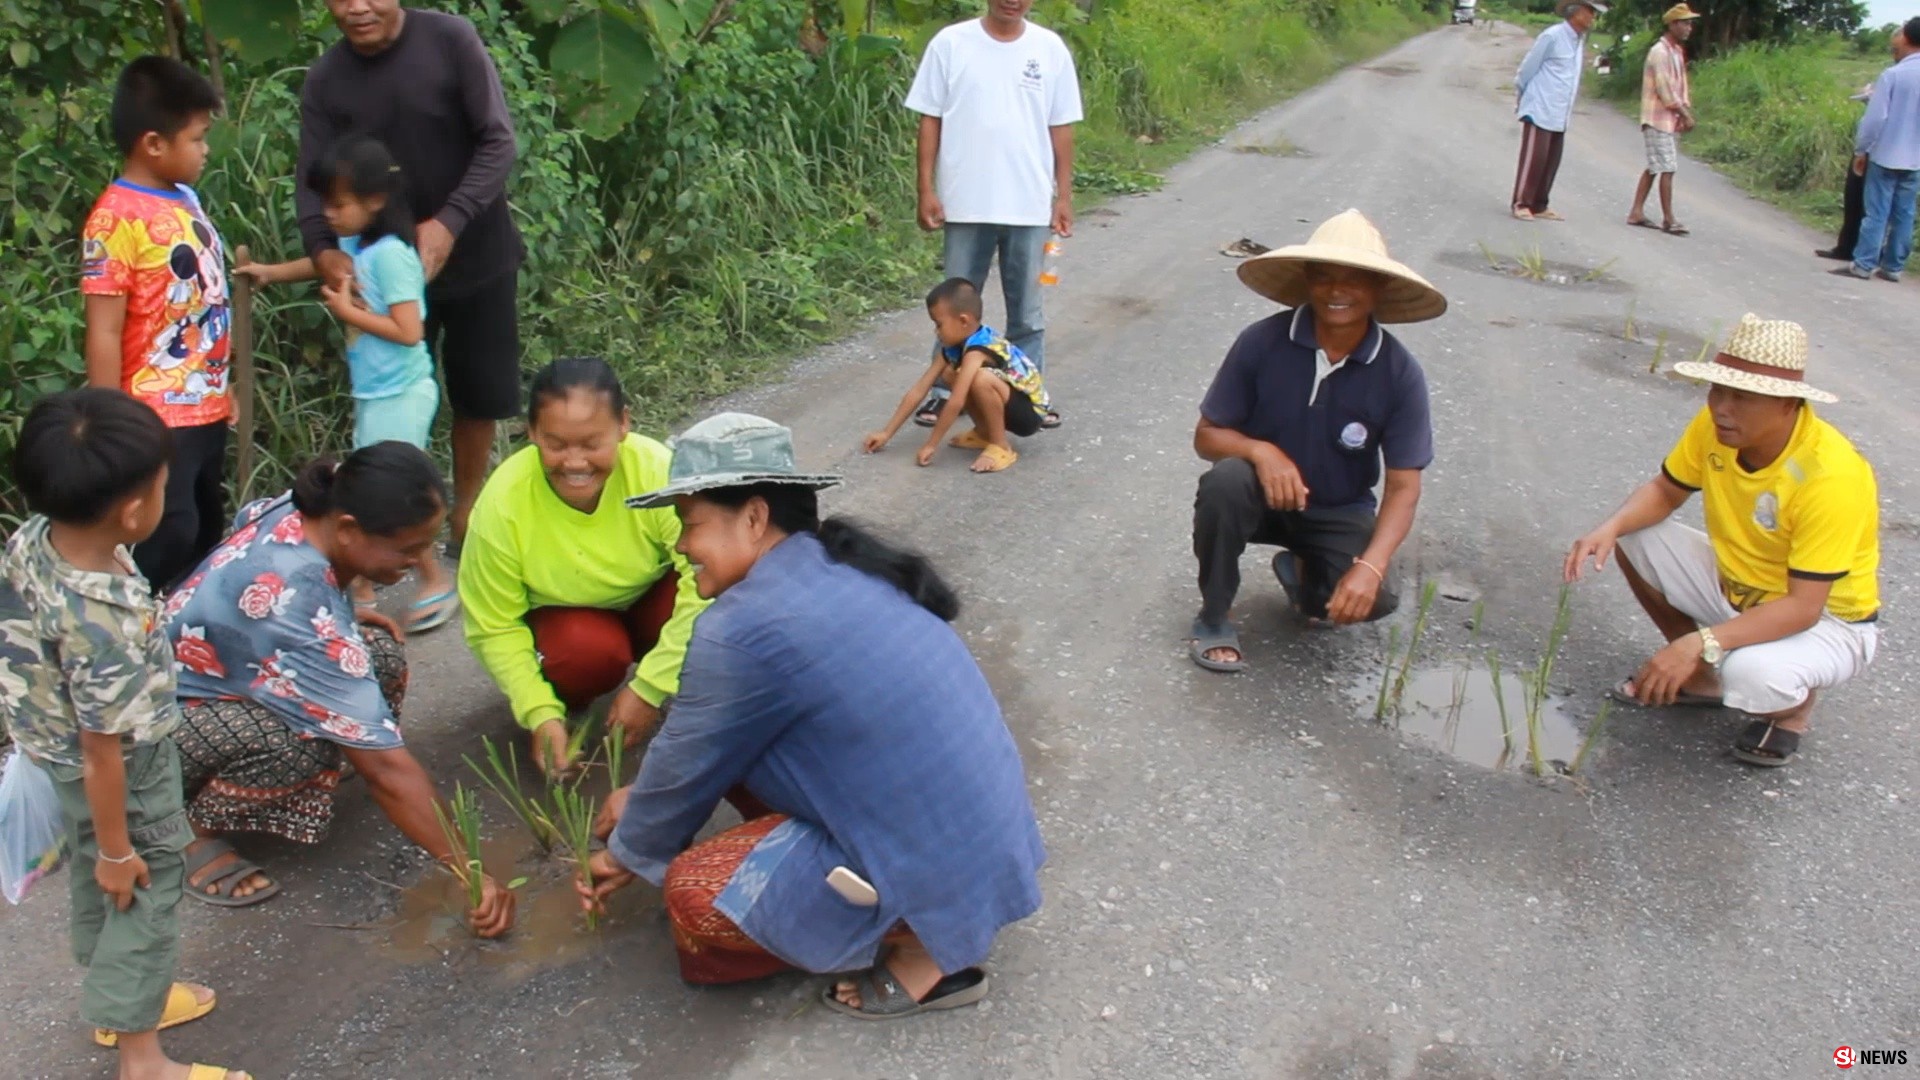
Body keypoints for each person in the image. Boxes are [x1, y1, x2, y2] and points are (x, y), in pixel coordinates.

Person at [578, 413, 1044, 1019]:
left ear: (753, 517)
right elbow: (695, 753)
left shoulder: (743, 627)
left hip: (935, 871)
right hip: (983, 842)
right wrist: (646, 802)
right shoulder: (842, 566)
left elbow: (685, 760)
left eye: (690, 525)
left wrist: (622, 853)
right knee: (736, 755)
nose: (683, 546)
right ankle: (922, 907)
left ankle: (921, 949)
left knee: (691, 896)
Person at [162, 442, 516, 934]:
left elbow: (258, 529)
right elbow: (388, 771)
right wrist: (468, 869)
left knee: (378, 654)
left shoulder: (314, 501)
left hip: (211, 680)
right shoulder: (303, 613)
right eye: (409, 549)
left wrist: (340, 611)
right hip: (153, 732)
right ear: (349, 528)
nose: (420, 561)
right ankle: (176, 830)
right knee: (297, 747)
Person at [0, 389, 250, 1080]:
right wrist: (119, 847)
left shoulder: (37, 537)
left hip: (52, 749)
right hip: (121, 768)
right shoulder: (101, 620)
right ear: (134, 510)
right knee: (142, 883)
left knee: (100, 877)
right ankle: (143, 1059)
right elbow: (102, 747)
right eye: (162, 486)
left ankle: (119, 1002)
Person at [1565, 315, 1880, 768]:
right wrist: (1609, 527)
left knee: (1753, 675)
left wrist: (1697, 642)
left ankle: (1794, 711)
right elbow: (1665, 491)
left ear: (1788, 403)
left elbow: (1803, 607)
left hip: (1828, 621)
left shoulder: (1830, 476)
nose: (1721, 408)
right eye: (1718, 391)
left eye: (1743, 397)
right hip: (1741, 588)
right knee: (1637, 535)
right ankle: (1703, 679)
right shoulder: (1717, 427)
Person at [298, 0, 522, 555]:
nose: (357, 7)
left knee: (478, 395)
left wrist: (450, 222)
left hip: (474, 254)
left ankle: (465, 513)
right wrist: (324, 251)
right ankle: (400, 534)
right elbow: (310, 181)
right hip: (382, 274)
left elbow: (498, 141)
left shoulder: (451, 40)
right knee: (394, 400)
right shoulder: (326, 79)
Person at [1188, 210, 1443, 673]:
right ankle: (1213, 615)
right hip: (1259, 497)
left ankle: (1303, 573)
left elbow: (1404, 487)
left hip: (1338, 509)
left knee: (1374, 598)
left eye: (1355, 280)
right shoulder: (1263, 342)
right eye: (1323, 277)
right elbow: (1206, 437)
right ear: (1307, 280)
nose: (1336, 291)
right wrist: (1259, 451)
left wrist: (1370, 567)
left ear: (1380, 288)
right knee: (1224, 483)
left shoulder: (1399, 372)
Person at [235, 135, 456, 631]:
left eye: (338, 204)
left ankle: (427, 580)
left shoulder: (393, 256)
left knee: (392, 492)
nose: (328, 216)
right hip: (374, 392)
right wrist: (269, 273)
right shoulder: (358, 246)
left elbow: (409, 331)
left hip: (402, 391)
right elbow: (321, 261)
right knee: (368, 487)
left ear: (375, 201)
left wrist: (348, 311)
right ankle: (362, 587)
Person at [459, 358, 708, 777]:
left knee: (715, 602)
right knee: (585, 653)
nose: (575, 463)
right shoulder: (503, 503)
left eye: (592, 443)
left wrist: (650, 687)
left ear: (623, 425)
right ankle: (563, 704)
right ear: (533, 431)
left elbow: (707, 577)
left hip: (648, 599)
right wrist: (539, 713)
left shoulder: (657, 471)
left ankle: (682, 680)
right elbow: (493, 625)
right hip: (567, 620)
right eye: (556, 444)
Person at [81, 56, 232, 595]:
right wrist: (106, 426)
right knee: (169, 527)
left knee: (206, 527)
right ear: (153, 144)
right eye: (198, 138)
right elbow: (102, 328)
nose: (206, 149)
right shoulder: (114, 217)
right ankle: (127, 619)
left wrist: (222, 381)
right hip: (154, 411)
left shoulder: (185, 199)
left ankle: (183, 637)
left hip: (206, 402)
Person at [905, 0, 1079, 429]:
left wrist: (1063, 195)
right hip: (966, 203)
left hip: (1029, 204)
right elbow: (930, 119)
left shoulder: (1050, 49)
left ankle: (1028, 399)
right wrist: (926, 188)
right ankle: (944, 393)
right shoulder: (951, 44)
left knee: (1028, 312)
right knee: (954, 309)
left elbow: (1062, 127)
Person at [862, 278, 1052, 474]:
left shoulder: (978, 349)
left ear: (963, 321)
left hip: (1029, 413)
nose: (936, 331)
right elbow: (919, 389)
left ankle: (1000, 445)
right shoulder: (953, 348)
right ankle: (984, 433)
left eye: (939, 324)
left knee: (980, 379)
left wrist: (931, 444)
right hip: (1008, 402)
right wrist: (886, 433)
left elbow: (956, 401)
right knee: (950, 374)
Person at [1837, 17, 1920, 282]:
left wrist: (1862, 150)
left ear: (1905, 37)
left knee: (1876, 212)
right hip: (1915, 158)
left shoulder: (1893, 75)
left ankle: (1863, 264)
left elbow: (1875, 119)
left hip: (1886, 154)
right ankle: (1893, 267)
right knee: (1904, 213)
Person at [1512, 1, 1605, 221]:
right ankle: (1522, 202)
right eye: (1590, 12)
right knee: (1535, 157)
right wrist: (1523, 95)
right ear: (1576, 12)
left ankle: (1540, 204)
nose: (1593, 17)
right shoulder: (1552, 36)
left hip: (1560, 110)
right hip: (1540, 106)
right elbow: (1527, 68)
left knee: (1551, 159)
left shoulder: (1579, 41)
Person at [1626, 4, 1699, 236]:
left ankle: (1636, 211)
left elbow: (1680, 86)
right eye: (1685, 23)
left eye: (1690, 23)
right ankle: (1669, 219)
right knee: (1667, 167)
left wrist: (1682, 111)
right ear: (1673, 24)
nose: (1689, 27)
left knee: (1656, 164)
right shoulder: (1660, 52)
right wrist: (1684, 114)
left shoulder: (1675, 51)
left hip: (1667, 119)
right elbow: (1666, 91)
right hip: (1658, 118)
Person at [1816, 85, 1875, 260]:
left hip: (1870, 156)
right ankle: (1850, 248)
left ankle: (1854, 250)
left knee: (1859, 202)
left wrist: (1860, 152)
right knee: (1857, 203)